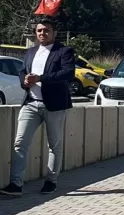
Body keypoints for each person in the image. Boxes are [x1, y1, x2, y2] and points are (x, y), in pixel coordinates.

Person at [1, 18, 77, 196]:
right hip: (30, 104)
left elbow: (68, 73)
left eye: (46, 30)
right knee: (20, 143)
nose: (43, 33)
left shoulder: (64, 51)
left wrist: (40, 78)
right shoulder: (31, 52)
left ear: (54, 32)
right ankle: (15, 185)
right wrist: (25, 81)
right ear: (36, 33)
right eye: (40, 30)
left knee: (54, 145)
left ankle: (51, 181)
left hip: (55, 105)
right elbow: (22, 71)